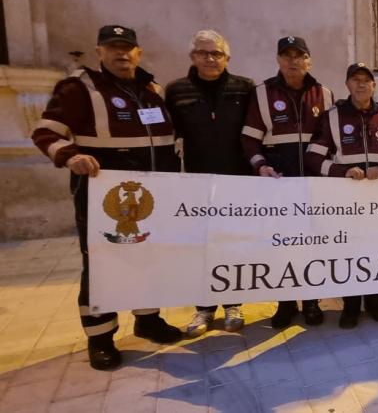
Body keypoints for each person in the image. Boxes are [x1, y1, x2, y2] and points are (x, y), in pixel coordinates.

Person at [31, 25, 182, 370]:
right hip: (105, 197)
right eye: (113, 47)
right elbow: (44, 132)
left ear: (138, 52)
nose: (121, 53)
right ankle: (100, 337)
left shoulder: (151, 88)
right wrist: (70, 156)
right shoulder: (79, 88)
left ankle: (148, 319)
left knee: (149, 256)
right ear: (99, 51)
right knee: (102, 263)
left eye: (127, 47)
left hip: (153, 195)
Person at [305, 62, 378, 329]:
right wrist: (342, 172)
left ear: (374, 85)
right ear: (347, 85)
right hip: (346, 199)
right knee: (349, 250)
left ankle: (375, 301)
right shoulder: (333, 117)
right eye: (355, 79)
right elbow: (313, 157)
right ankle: (350, 306)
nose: (361, 84)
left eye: (366, 80)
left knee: (377, 249)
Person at [165, 30, 255, 337]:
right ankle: (203, 308)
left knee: (233, 244)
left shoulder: (245, 88)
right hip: (197, 182)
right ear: (193, 57)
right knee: (201, 247)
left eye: (216, 53)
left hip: (238, 180)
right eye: (203, 53)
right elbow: (168, 137)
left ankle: (233, 304)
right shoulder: (176, 91)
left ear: (227, 58)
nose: (210, 58)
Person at [241, 36, 334, 329]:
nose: (293, 61)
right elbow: (249, 138)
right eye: (287, 55)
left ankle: (310, 302)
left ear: (309, 60)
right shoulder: (262, 93)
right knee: (280, 244)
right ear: (278, 60)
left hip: (313, 184)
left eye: (299, 55)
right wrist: (261, 165)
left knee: (311, 244)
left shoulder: (325, 94)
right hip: (277, 182)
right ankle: (284, 303)